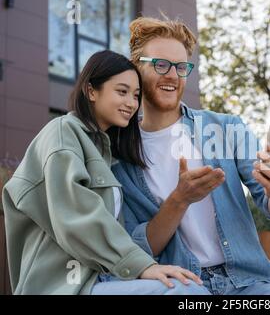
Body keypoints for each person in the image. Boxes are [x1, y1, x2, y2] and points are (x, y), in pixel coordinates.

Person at [112, 17, 270, 295]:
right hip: (183, 283)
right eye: (160, 65)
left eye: (181, 67)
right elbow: (140, 249)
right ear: (136, 68)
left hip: (246, 282)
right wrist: (180, 199)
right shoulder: (121, 157)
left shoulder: (226, 128)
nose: (172, 76)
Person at [1, 50, 205, 295]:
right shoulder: (63, 134)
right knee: (185, 293)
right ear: (91, 91)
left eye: (136, 95)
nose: (131, 103)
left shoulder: (107, 153)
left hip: (103, 280)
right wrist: (142, 266)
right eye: (122, 91)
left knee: (188, 287)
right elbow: (76, 219)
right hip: (64, 287)